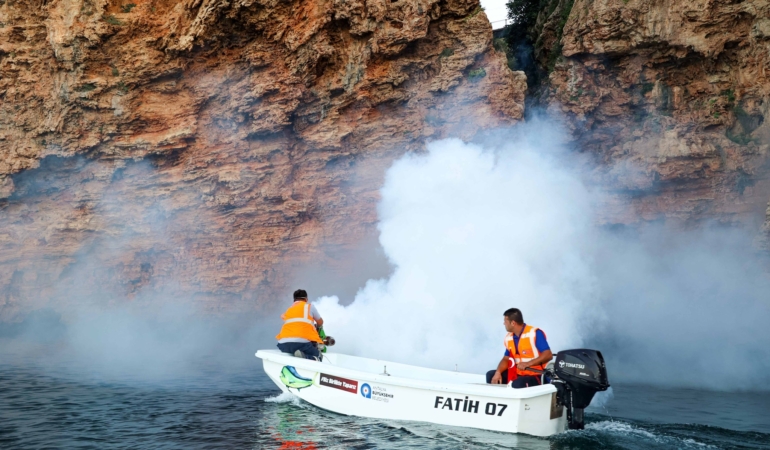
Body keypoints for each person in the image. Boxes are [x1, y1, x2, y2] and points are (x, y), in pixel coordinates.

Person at [486, 308, 553, 388]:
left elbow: (548, 355)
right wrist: (498, 372)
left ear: (513, 323)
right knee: (491, 376)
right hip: (518, 374)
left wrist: (528, 363)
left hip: (537, 375)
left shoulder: (534, 333)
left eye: (505, 321)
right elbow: (506, 359)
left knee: (517, 384)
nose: (504, 323)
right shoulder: (509, 338)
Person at [275, 289, 325, 361]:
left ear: (294, 300)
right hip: (301, 344)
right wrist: (317, 328)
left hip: (283, 344)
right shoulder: (309, 306)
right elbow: (320, 322)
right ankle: (305, 357)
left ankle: (297, 355)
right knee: (318, 356)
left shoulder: (289, 310)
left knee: (294, 348)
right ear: (306, 299)